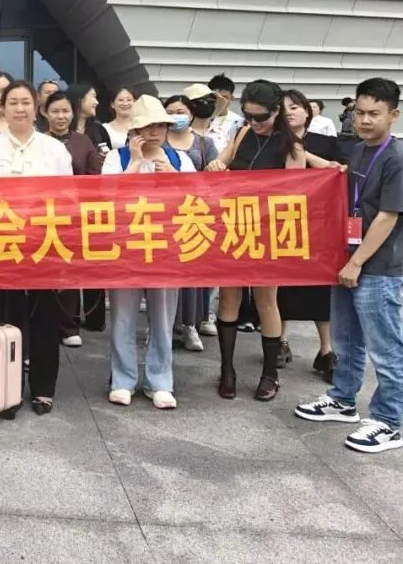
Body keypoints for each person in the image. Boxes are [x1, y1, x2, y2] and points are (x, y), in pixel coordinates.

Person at [295, 77, 403, 453]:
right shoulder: (357, 151)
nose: (365, 120)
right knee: (346, 339)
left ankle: (390, 421)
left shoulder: (396, 158)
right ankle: (343, 400)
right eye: (360, 112)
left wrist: (356, 262)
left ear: (393, 115)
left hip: (378, 268)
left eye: (375, 113)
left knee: (386, 348)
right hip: (347, 260)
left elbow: (387, 218)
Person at [0, 80, 73, 415]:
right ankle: (9, 389)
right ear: (2, 108)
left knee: (45, 318)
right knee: (7, 319)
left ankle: (44, 389)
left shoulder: (54, 150)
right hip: (4, 244)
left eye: (26, 102)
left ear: (36, 108)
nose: (19, 108)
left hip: (45, 243)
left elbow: (67, 198)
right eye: (13, 102)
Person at [207, 80, 305, 402]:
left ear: (276, 112)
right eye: (247, 115)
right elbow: (220, 164)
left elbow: (295, 196)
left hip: (268, 233)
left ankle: (270, 374)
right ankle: (227, 370)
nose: (253, 122)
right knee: (228, 298)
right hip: (234, 227)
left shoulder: (291, 147)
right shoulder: (243, 134)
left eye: (260, 117)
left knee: (266, 302)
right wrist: (217, 166)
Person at [103, 96, 196, 410]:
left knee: (163, 317)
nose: (154, 131)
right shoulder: (116, 158)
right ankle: (122, 379)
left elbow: (198, 200)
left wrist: (173, 177)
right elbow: (105, 197)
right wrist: (134, 163)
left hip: (166, 248)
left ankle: (160, 381)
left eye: (160, 125)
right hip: (125, 248)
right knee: (122, 317)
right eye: (147, 126)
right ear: (134, 129)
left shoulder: (180, 160)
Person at [277, 89, 347, 380]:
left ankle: (326, 350)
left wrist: (303, 154)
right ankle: (280, 341)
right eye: (283, 108)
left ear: (308, 110)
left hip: (319, 224)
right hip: (281, 222)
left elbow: (340, 172)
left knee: (320, 285)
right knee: (281, 283)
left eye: (295, 107)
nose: (289, 112)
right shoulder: (273, 142)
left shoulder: (327, 142)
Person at [42, 91, 102, 348]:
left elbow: (95, 176)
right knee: (44, 269)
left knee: (68, 269)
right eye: (55, 111)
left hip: (74, 214)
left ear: (73, 113)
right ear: (45, 113)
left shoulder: (83, 141)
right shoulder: (38, 140)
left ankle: (69, 326)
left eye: (65, 111)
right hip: (42, 214)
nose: (60, 116)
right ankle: (44, 323)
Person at [164, 94, 219, 353]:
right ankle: (161, 325)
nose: (176, 116)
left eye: (181, 111)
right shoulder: (158, 141)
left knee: (192, 273)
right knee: (165, 274)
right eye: (170, 111)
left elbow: (217, 175)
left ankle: (190, 325)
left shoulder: (204, 143)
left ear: (191, 113)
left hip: (194, 214)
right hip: (162, 217)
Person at [65, 83, 111, 331]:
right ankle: (69, 319)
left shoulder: (98, 130)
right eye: (92, 96)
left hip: (94, 205)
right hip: (67, 208)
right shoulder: (58, 133)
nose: (96, 101)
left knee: (95, 260)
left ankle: (95, 318)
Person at [206, 73, 245, 154]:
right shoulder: (199, 118)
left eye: (224, 97)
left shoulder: (239, 122)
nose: (220, 101)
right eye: (216, 97)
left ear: (232, 98)